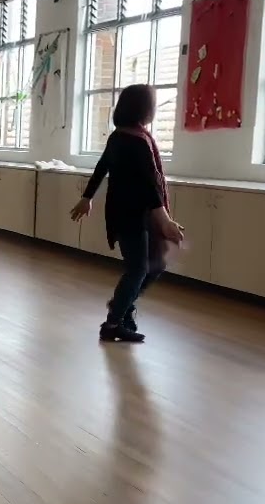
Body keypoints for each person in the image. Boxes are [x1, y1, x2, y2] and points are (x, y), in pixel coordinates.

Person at [70, 84, 185, 343]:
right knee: (139, 269)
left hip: (131, 213)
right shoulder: (136, 141)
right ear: (143, 108)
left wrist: (87, 198)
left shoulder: (121, 136)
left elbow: (102, 168)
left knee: (154, 265)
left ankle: (123, 306)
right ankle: (113, 323)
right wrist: (165, 220)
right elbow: (149, 184)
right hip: (132, 214)